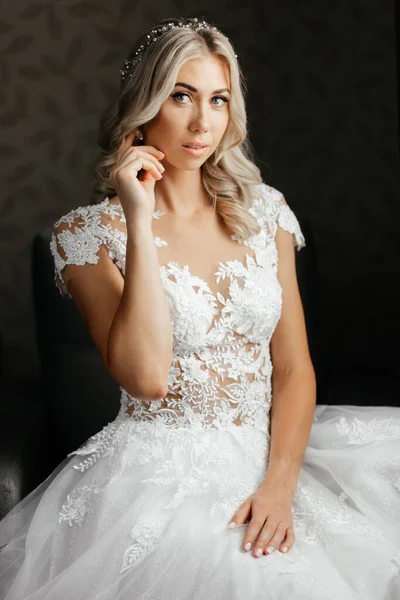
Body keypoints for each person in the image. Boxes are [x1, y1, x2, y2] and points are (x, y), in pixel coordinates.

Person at [0, 15, 399, 600]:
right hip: (159, 474)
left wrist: (279, 486)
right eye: (181, 96)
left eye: (218, 99)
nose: (201, 122)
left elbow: (292, 367)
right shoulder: (86, 236)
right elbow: (146, 377)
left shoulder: (266, 213)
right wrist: (137, 219)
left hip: (276, 457)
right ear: (146, 105)